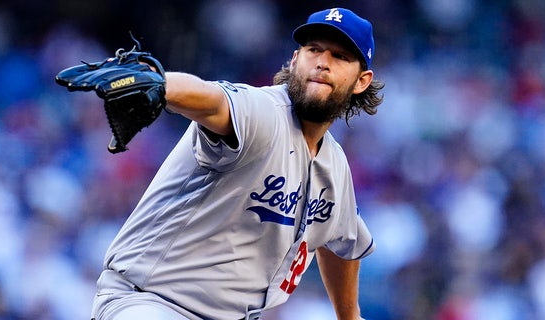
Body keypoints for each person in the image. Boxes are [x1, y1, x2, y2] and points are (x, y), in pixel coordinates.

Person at [90, 7, 384, 320]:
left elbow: (343, 239)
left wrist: (349, 315)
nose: (322, 62)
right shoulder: (264, 112)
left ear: (361, 81)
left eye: (339, 56)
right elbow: (213, 99)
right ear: (296, 59)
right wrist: (160, 84)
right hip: (151, 302)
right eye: (314, 50)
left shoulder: (334, 167)